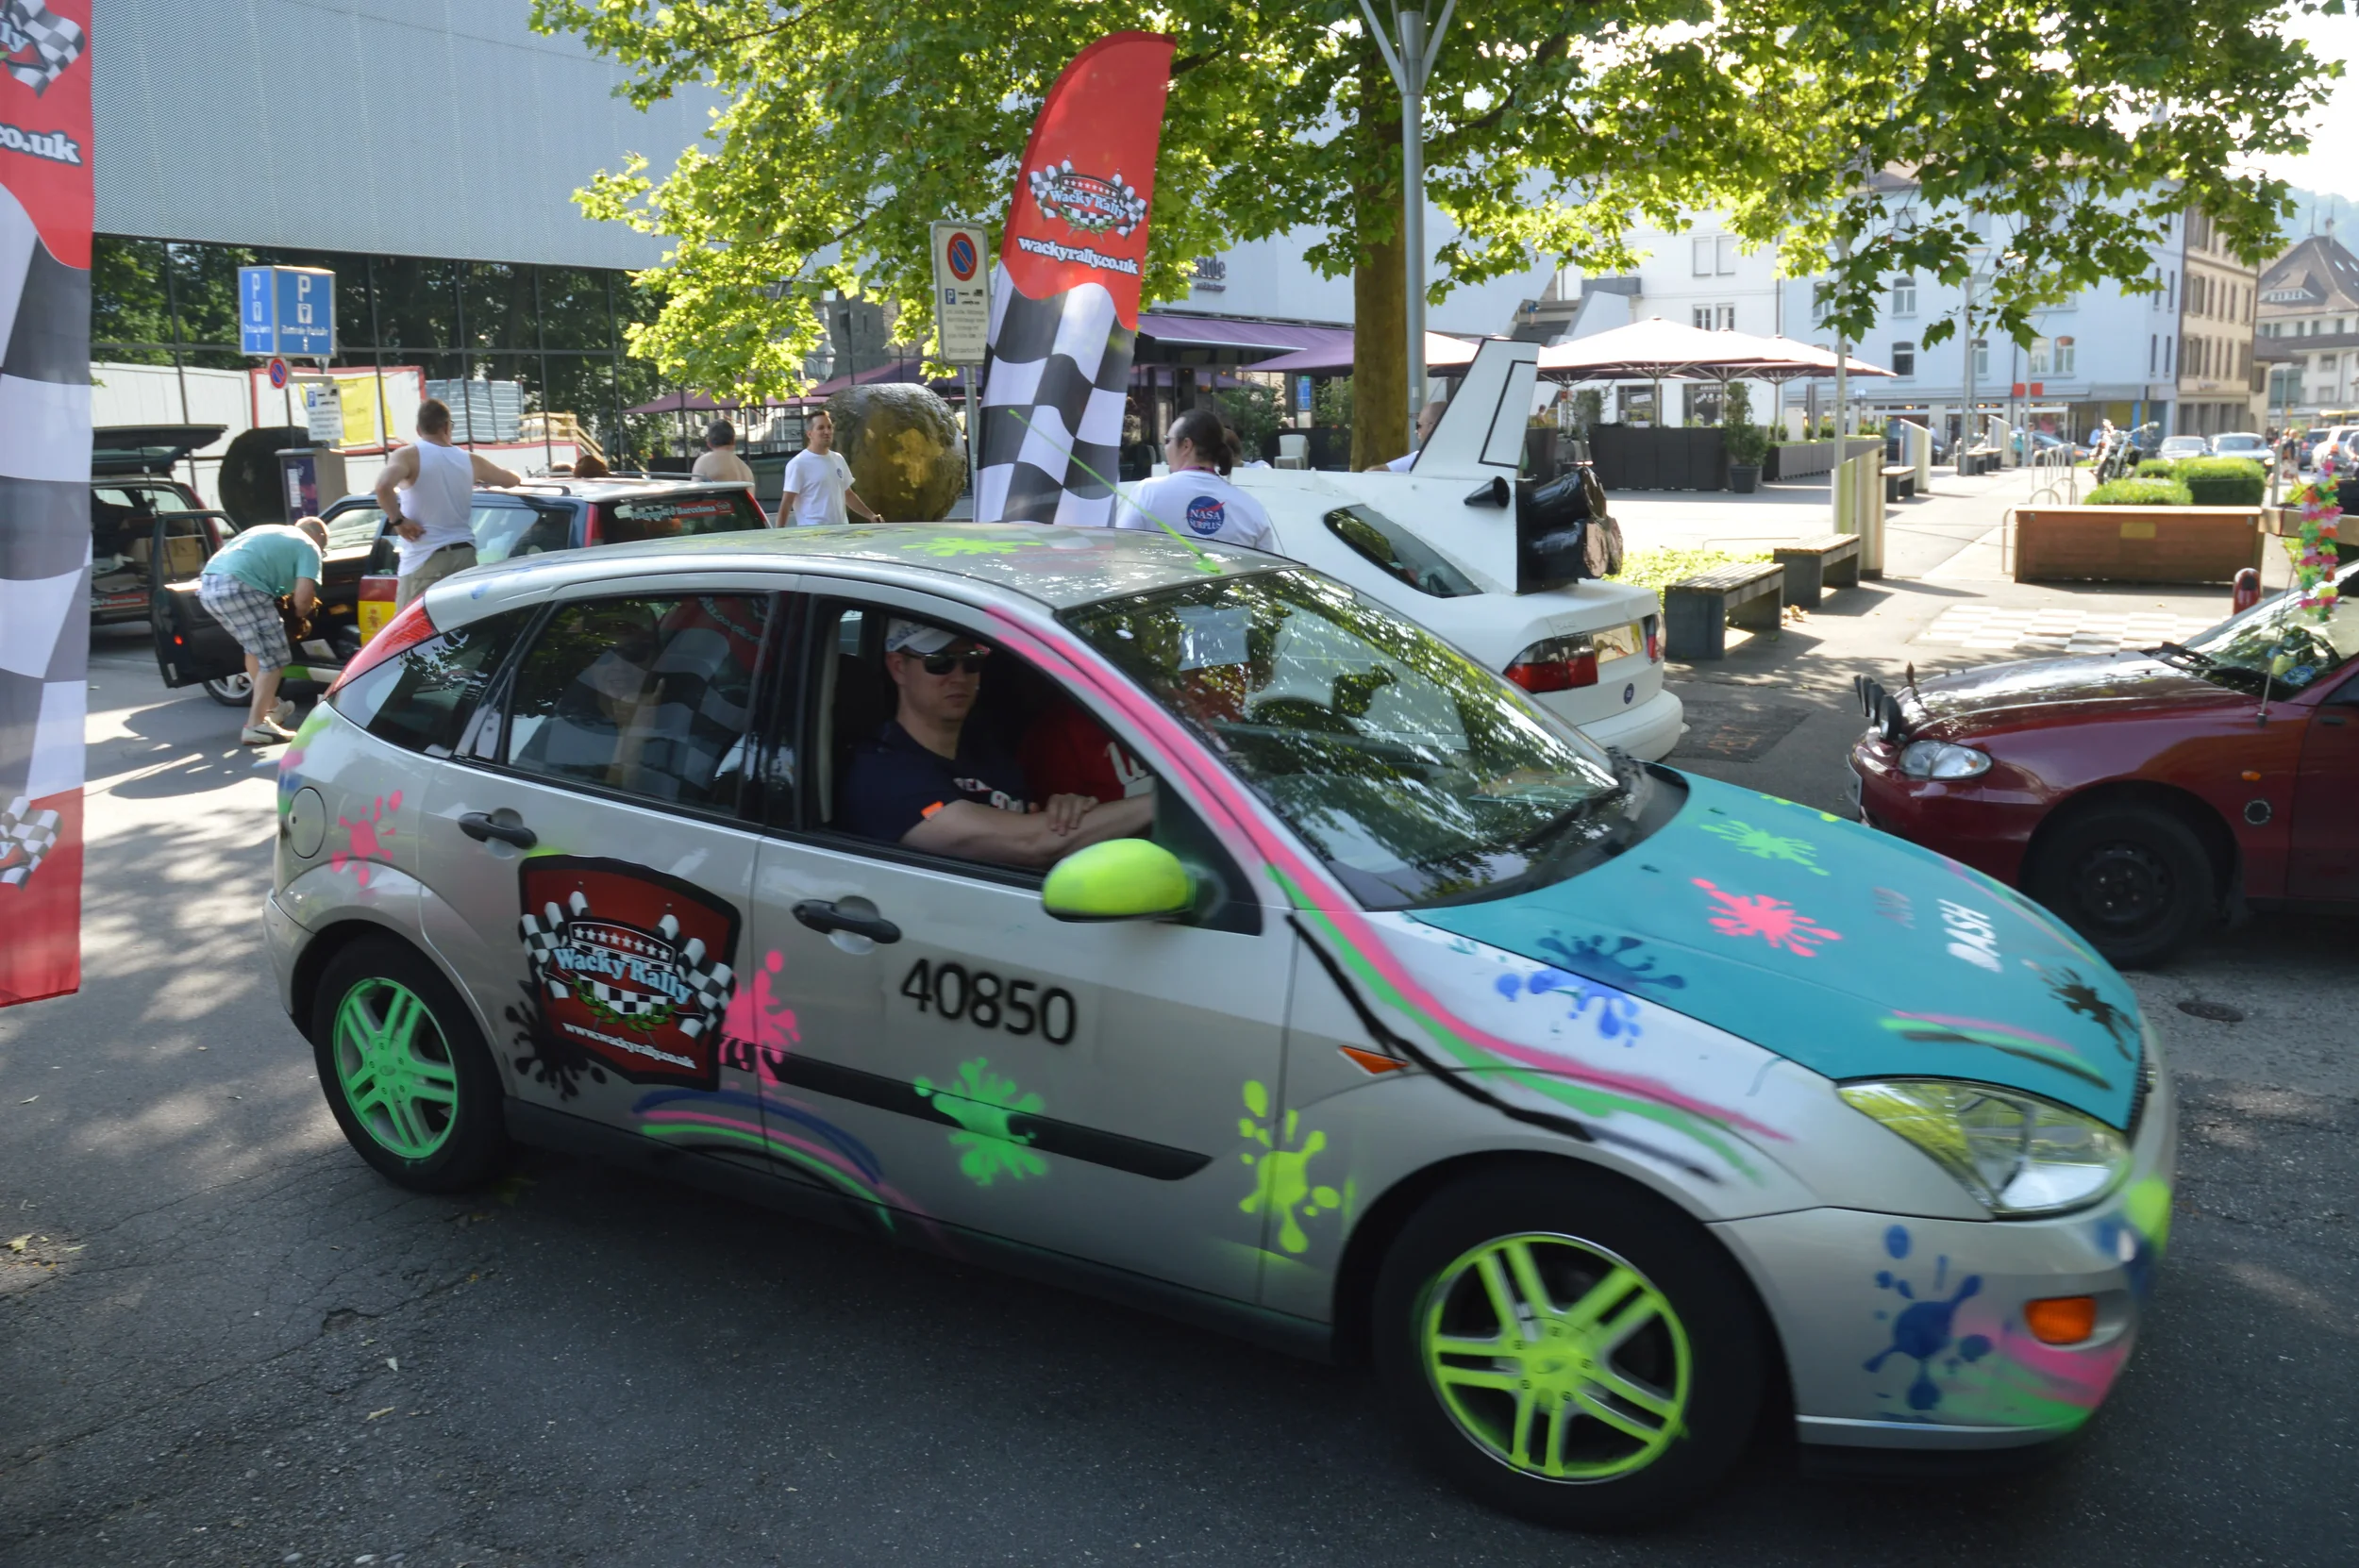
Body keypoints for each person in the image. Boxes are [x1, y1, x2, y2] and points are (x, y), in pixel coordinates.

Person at [841, 619, 1153, 866]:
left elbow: (1040, 828)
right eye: (940, 662)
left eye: (972, 661)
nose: (959, 676)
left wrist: (1067, 807)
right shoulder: (885, 775)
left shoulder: (987, 752)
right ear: (898, 667)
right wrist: (1164, 804)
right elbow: (1032, 845)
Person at [373, 398, 522, 609]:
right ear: (446, 427)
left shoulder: (407, 456)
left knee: (411, 635)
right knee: (463, 631)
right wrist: (517, 474)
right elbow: (510, 480)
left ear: (418, 429)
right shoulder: (470, 460)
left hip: (424, 558)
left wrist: (398, 520)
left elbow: (382, 486)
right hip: (465, 557)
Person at [196, 515, 328, 746]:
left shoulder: (266, 528)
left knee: (257, 650)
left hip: (209, 585)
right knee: (277, 659)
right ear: (322, 537)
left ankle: (273, 708)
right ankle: (256, 726)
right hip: (241, 587)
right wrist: (297, 618)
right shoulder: (309, 547)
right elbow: (304, 599)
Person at [1111, 408, 1279, 551]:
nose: (1165, 447)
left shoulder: (1148, 493)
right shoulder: (1250, 507)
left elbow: (1122, 554)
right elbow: (1267, 572)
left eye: (1168, 440)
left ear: (1186, 445)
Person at [780, 410, 883, 526]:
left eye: (830, 427)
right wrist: (777, 536)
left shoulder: (838, 459)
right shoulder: (798, 464)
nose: (827, 432)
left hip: (841, 533)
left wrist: (871, 516)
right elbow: (787, 502)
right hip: (813, 535)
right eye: (821, 428)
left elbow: (848, 494)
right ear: (809, 434)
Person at [1367, 401, 1447, 473]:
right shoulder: (1420, 456)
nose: (1416, 431)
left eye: (1419, 426)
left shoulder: (1422, 457)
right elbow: (1378, 471)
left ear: (1434, 426)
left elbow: (1374, 472)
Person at [691, 419, 755, 485]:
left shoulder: (703, 462)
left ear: (709, 443)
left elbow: (693, 491)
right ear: (733, 441)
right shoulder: (746, 470)